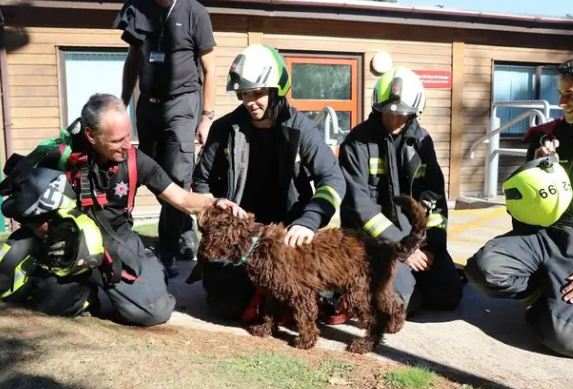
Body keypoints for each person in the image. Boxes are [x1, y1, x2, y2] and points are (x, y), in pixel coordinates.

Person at [0, 93, 243, 327]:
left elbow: (179, 197)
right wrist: (42, 227)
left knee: (153, 312)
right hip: (70, 242)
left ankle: (149, 272)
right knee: (46, 301)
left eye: (128, 136)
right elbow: (15, 201)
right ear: (91, 135)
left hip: (119, 240)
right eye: (117, 141)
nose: (126, 145)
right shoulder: (61, 155)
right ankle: (84, 293)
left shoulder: (136, 160)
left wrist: (213, 203)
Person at [191, 44, 346, 320]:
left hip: (288, 235)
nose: (250, 101)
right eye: (244, 94)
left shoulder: (301, 128)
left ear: (277, 90)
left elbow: (332, 179)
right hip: (240, 238)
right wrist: (215, 208)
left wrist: (308, 221)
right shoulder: (224, 129)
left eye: (258, 93)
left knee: (314, 302)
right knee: (225, 307)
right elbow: (200, 182)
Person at [465, 54, 573, 359]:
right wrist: (536, 166)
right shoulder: (550, 138)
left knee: (565, 339)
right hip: (549, 234)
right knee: (485, 268)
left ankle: (564, 310)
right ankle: (546, 293)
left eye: (572, 94)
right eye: (560, 93)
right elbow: (522, 206)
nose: (562, 101)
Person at [339, 66, 462, 316]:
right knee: (402, 304)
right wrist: (403, 248)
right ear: (378, 108)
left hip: (415, 240)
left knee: (448, 295)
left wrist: (433, 248)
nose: (394, 120)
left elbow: (435, 198)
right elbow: (360, 207)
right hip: (374, 242)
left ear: (415, 112)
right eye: (388, 113)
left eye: (403, 114)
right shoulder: (357, 142)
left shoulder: (421, 141)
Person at [114, 0, 217, 273]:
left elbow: (210, 69)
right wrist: (122, 105)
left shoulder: (195, 12)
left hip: (182, 103)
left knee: (176, 175)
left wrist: (207, 116)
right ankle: (183, 232)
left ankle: (167, 253)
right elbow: (133, 59)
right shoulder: (136, 8)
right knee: (149, 172)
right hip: (147, 104)